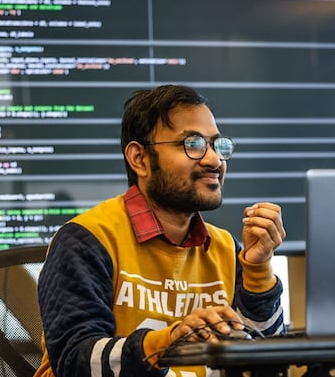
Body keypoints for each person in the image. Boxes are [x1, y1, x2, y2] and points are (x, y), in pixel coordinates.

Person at [34, 84, 287, 377]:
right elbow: (75, 361)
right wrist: (166, 344)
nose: (214, 160)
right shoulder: (87, 240)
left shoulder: (226, 248)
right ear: (139, 159)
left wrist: (258, 270)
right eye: (192, 144)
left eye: (218, 145)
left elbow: (265, 361)